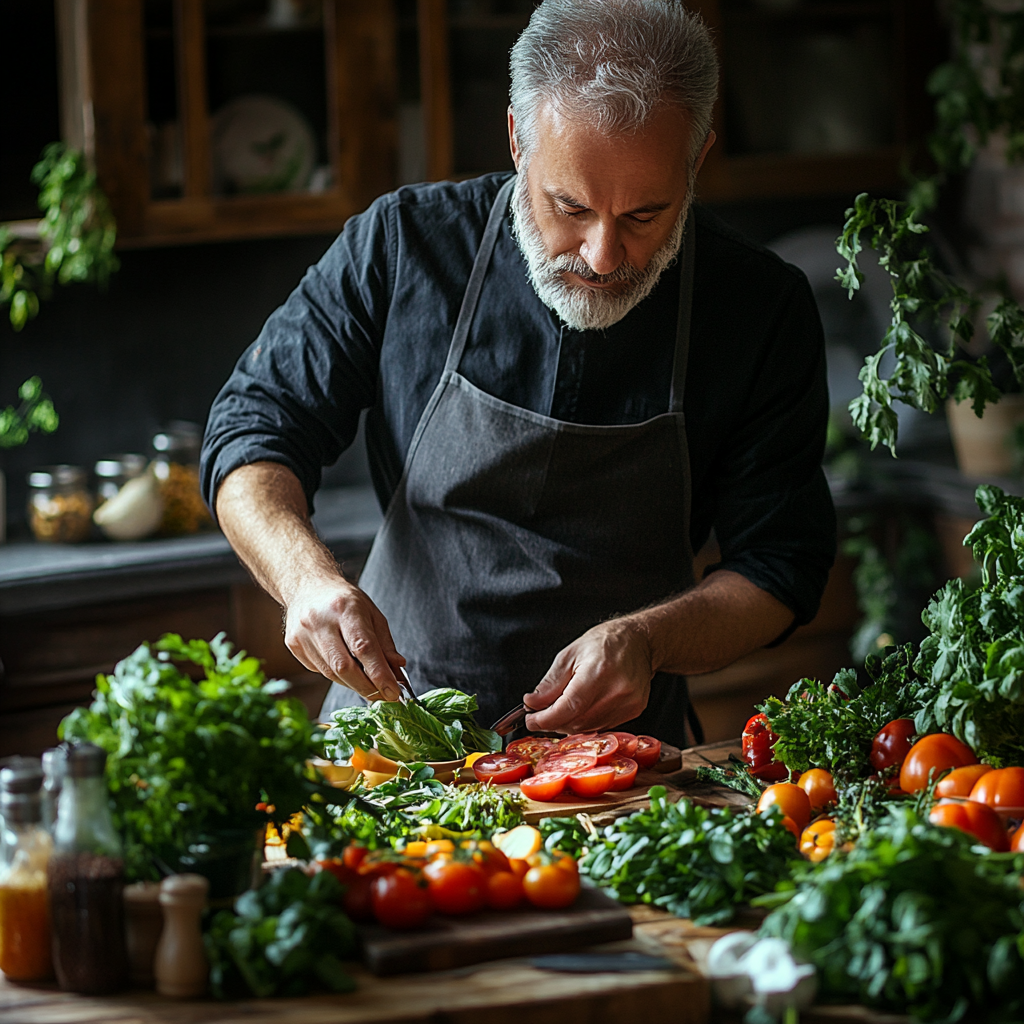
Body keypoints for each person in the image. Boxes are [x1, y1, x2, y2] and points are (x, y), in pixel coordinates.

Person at [202, 0, 836, 748]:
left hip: (617, 774)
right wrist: (305, 579)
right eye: (570, 206)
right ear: (516, 139)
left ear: (695, 163)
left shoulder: (759, 306)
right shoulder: (404, 245)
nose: (603, 256)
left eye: (645, 215)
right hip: (398, 751)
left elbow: (780, 565)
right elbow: (252, 430)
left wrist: (650, 640)